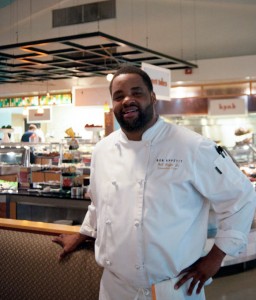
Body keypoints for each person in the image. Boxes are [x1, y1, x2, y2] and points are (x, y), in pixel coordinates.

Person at [53, 66, 256, 300]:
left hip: (174, 288)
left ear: (152, 97)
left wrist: (215, 258)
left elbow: (241, 196)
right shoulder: (102, 150)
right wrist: (83, 234)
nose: (127, 100)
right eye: (119, 96)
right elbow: (100, 204)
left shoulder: (193, 146)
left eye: (136, 92)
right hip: (114, 288)